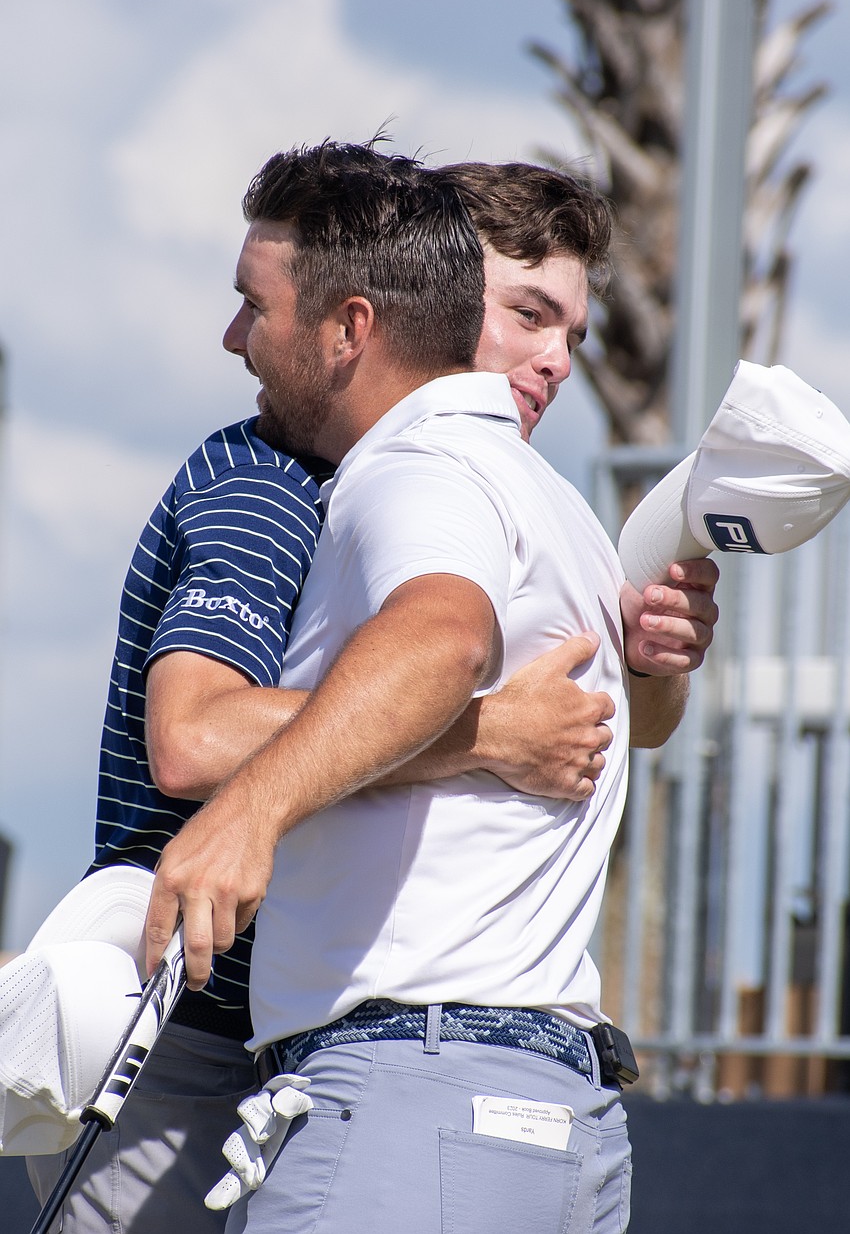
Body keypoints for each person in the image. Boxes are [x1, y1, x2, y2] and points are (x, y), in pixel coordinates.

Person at [27, 147, 717, 1233]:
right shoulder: (283, 476)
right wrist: (481, 732)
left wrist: (645, 671)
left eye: (572, 334)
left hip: (380, 1071)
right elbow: (197, 736)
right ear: (424, 298)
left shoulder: (455, 478)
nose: (554, 362)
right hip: (212, 1049)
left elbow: (550, 703)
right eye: (528, 315)